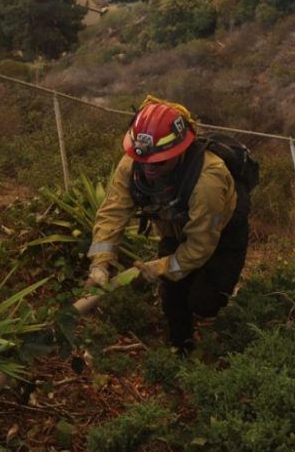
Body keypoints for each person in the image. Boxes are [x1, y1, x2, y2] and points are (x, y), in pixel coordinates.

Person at [85, 97, 250, 353]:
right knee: (172, 293)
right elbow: (113, 212)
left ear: (179, 151)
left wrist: (160, 266)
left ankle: (229, 302)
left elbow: (199, 246)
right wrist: (100, 263)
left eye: (159, 162)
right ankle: (181, 344)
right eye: (144, 160)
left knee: (204, 301)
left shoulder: (208, 181)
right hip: (173, 224)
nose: (149, 169)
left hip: (221, 230)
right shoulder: (133, 164)